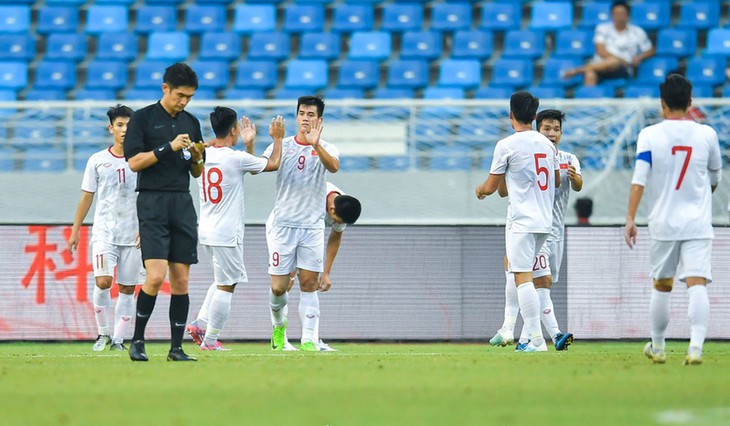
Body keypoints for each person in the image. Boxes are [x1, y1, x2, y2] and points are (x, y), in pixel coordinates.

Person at [625, 74, 722, 365]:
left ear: (662, 103)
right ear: (691, 103)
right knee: (697, 284)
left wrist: (630, 218)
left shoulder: (650, 135)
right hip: (697, 224)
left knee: (662, 285)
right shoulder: (707, 135)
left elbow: (639, 180)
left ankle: (658, 347)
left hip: (663, 224)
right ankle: (695, 348)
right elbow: (715, 178)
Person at [123, 62, 205, 362]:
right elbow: (133, 163)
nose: (184, 102)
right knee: (155, 277)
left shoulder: (192, 122)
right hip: (152, 201)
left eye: (189, 97)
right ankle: (138, 340)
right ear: (165, 89)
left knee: (181, 280)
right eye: (180, 95)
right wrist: (167, 148)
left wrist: (197, 158)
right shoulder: (143, 118)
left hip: (182, 202)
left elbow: (197, 172)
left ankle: (176, 348)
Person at [185, 108, 284, 350]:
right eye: (238, 129)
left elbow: (250, 168)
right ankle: (209, 340)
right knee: (227, 285)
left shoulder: (203, 154)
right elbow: (273, 164)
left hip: (207, 229)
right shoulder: (235, 157)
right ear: (233, 130)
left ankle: (201, 323)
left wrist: (247, 145)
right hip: (226, 232)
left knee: (221, 280)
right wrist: (278, 139)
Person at [489, 109, 582, 351]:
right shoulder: (534, 151)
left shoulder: (566, 157)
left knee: (532, 279)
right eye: (547, 129)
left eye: (556, 129)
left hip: (551, 228)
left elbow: (572, 184)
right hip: (537, 226)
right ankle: (544, 335)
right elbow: (505, 190)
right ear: (536, 128)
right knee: (533, 278)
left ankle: (521, 335)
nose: (552, 134)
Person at [476, 91, 559, 353]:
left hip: (521, 221)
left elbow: (491, 188)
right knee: (524, 273)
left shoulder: (506, 145)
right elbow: (555, 181)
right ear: (535, 116)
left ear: (510, 114)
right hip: (545, 222)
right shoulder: (547, 144)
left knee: (522, 277)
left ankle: (535, 341)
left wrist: (479, 190)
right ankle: (516, 331)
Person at [68, 104, 144, 352]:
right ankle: (102, 334)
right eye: (119, 125)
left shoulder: (142, 160)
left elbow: (149, 196)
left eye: (128, 125)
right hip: (105, 234)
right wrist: (75, 230)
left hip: (133, 234)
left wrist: (147, 226)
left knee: (127, 288)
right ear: (111, 128)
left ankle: (120, 341)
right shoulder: (98, 160)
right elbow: (86, 196)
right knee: (103, 281)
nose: (124, 130)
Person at [267, 96, 340, 352]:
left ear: (319, 120)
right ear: (296, 117)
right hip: (283, 225)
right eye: (301, 113)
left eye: (311, 114)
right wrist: (274, 140)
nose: (306, 118)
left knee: (309, 283)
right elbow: (265, 166)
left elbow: (334, 167)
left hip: (311, 227)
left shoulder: (327, 147)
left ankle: (309, 339)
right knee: (278, 287)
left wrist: (316, 145)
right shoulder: (284, 145)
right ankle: (278, 330)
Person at [279, 181, 362, 351]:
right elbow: (291, 228)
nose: (336, 223)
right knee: (282, 285)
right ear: (331, 210)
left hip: (309, 235)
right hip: (285, 230)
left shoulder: (341, 206)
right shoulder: (311, 195)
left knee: (311, 283)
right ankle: (280, 339)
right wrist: (291, 271)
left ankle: (311, 340)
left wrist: (326, 273)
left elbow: (335, 237)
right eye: (335, 220)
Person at [564, 1, 654, 86]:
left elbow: (650, 50)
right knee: (590, 73)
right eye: (616, 14)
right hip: (602, 64)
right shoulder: (602, 28)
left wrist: (639, 57)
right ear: (612, 15)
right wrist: (620, 60)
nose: (619, 17)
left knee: (613, 62)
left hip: (623, 69)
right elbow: (600, 50)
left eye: (622, 14)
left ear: (628, 15)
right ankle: (589, 101)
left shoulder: (637, 31)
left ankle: (578, 70)